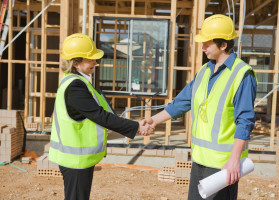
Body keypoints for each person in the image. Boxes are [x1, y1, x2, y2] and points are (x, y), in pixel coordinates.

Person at [142, 14, 257, 200]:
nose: (202, 47)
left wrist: (235, 159)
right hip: (199, 160)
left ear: (223, 45)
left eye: (207, 43)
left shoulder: (242, 74)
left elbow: (245, 120)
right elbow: (182, 102)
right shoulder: (204, 71)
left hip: (223, 165)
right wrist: (154, 120)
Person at [48, 33, 152, 200]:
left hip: (79, 160)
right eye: (91, 59)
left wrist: (135, 124)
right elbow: (100, 116)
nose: (96, 63)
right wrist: (136, 127)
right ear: (76, 62)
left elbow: (101, 113)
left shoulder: (75, 81)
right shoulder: (75, 86)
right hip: (75, 162)